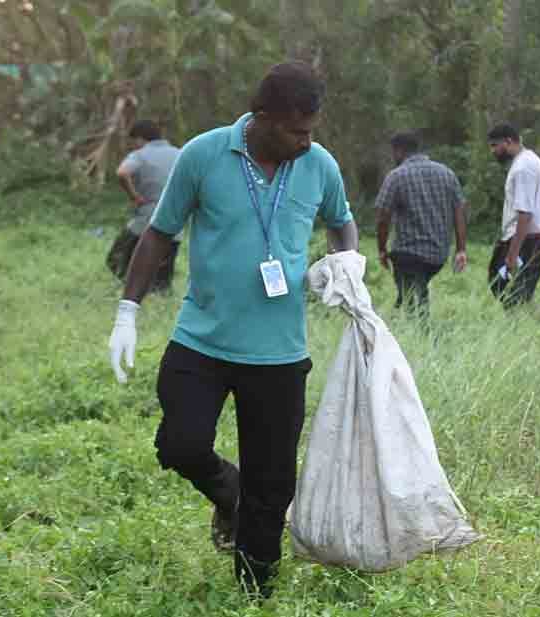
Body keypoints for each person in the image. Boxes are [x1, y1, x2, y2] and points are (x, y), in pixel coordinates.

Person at [107, 61, 359, 598]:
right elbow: (158, 234)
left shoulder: (318, 164)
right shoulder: (204, 154)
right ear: (263, 117)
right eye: (296, 129)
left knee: (274, 486)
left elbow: (341, 219)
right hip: (202, 340)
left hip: (279, 354)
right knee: (180, 444)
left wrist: (349, 262)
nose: (305, 139)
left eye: (312, 129)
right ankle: (230, 494)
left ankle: (255, 592)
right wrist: (126, 312)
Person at [374, 130, 467, 321]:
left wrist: (382, 249)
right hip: (438, 255)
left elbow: (383, 216)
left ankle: (419, 331)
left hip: (408, 253)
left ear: (398, 151)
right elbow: (459, 211)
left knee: (413, 300)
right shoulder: (447, 173)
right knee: (414, 288)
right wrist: (461, 249)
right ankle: (402, 316)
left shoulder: (396, 176)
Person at [107, 120, 182, 293]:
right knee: (163, 271)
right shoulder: (180, 153)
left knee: (117, 257)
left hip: (146, 219)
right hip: (175, 220)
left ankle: (131, 289)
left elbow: (122, 172)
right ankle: (155, 295)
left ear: (140, 139)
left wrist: (134, 196)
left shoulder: (140, 154)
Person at [486, 124, 540, 309]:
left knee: (515, 294)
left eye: (494, 146)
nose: (493, 151)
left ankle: (536, 331)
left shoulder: (523, 167)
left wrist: (513, 254)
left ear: (508, 141)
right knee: (510, 290)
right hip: (525, 236)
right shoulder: (527, 161)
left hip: (527, 238)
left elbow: (525, 212)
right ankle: (535, 329)